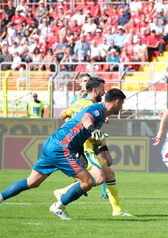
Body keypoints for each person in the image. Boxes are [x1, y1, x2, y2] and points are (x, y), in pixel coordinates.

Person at [0, 87, 126, 220]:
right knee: (88, 182)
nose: (122, 107)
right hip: (63, 147)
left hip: (52, 143)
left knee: (32, 182)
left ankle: (1, 197)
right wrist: (93, 128)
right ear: (116, 102)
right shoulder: (97, 110)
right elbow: (86, 119)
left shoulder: (101, 114)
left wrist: (98, 138)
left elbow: (85, 130)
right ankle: (58, 207)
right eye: (122, 104)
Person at [56, 77, 131, 216]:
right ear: (95, 89)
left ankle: (117, 210)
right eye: (102, 89)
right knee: (97, 178)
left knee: (109, 173)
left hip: (77, 142)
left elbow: (62, 115)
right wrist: (97, 134)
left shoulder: (78, 103)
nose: (104, 92)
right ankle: (63, 193)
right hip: (86, 145)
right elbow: (85, 122)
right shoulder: (91, 106)